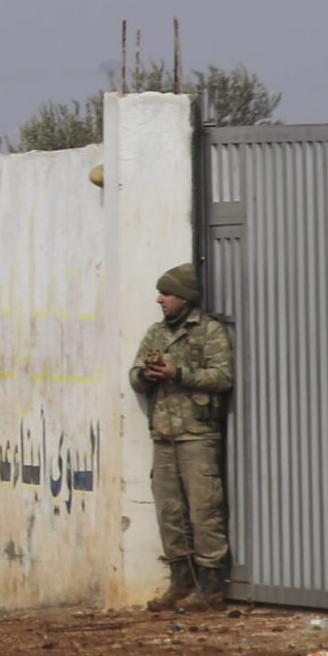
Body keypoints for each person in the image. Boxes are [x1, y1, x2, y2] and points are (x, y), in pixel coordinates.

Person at [127, 261, 234, 610]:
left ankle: (211, 587)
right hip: (164, 434)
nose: (160, 300)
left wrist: (178, 373)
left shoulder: (209, 332)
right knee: (170, 513)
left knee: (204, 511)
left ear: (185, 299)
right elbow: (134, 376)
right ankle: (181, 582)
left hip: (197, 435)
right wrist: (147, 375)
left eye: (167, 293)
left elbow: (222, 377)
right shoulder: (156, 333)